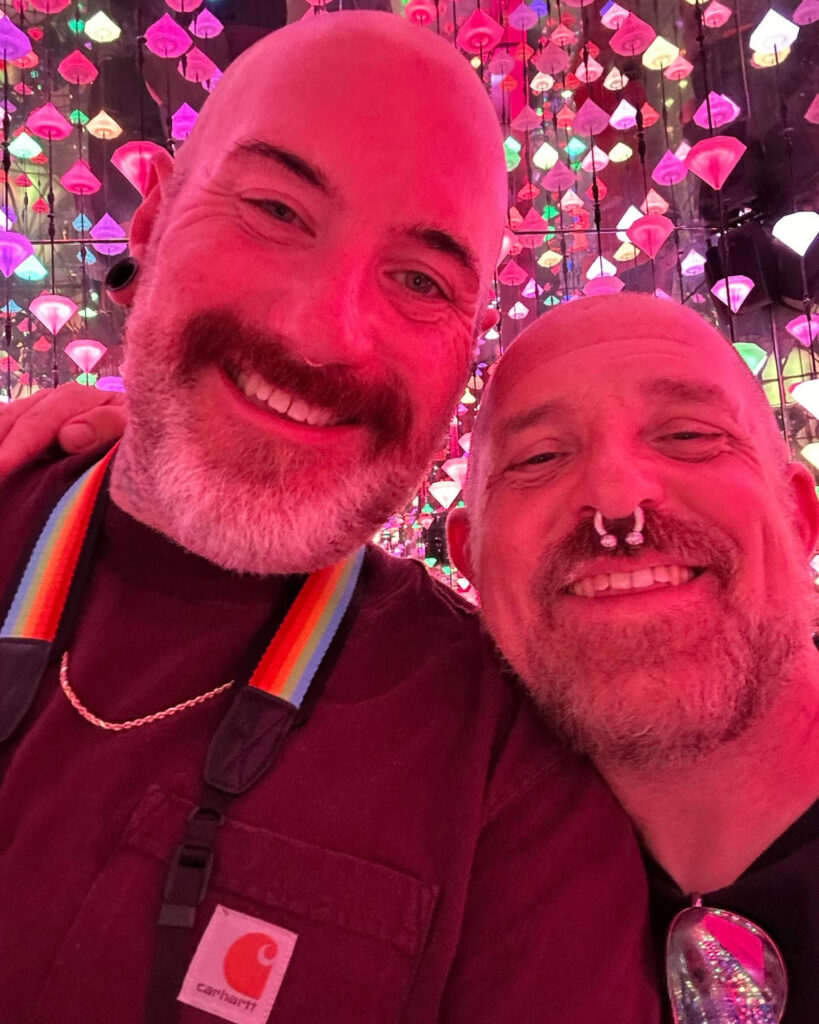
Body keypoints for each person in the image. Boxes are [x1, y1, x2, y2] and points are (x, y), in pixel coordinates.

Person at [0, 14, 659, 1024]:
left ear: (467, 346)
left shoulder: (508, 784)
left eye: (419, 280)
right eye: (276, 209)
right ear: (152, 217)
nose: (323, 331)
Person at [447, 291, 819, 1023]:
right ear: (472, 562)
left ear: (800, 516)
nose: (616, 501)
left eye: (687, 436)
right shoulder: (463, 900)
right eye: (539, 457)